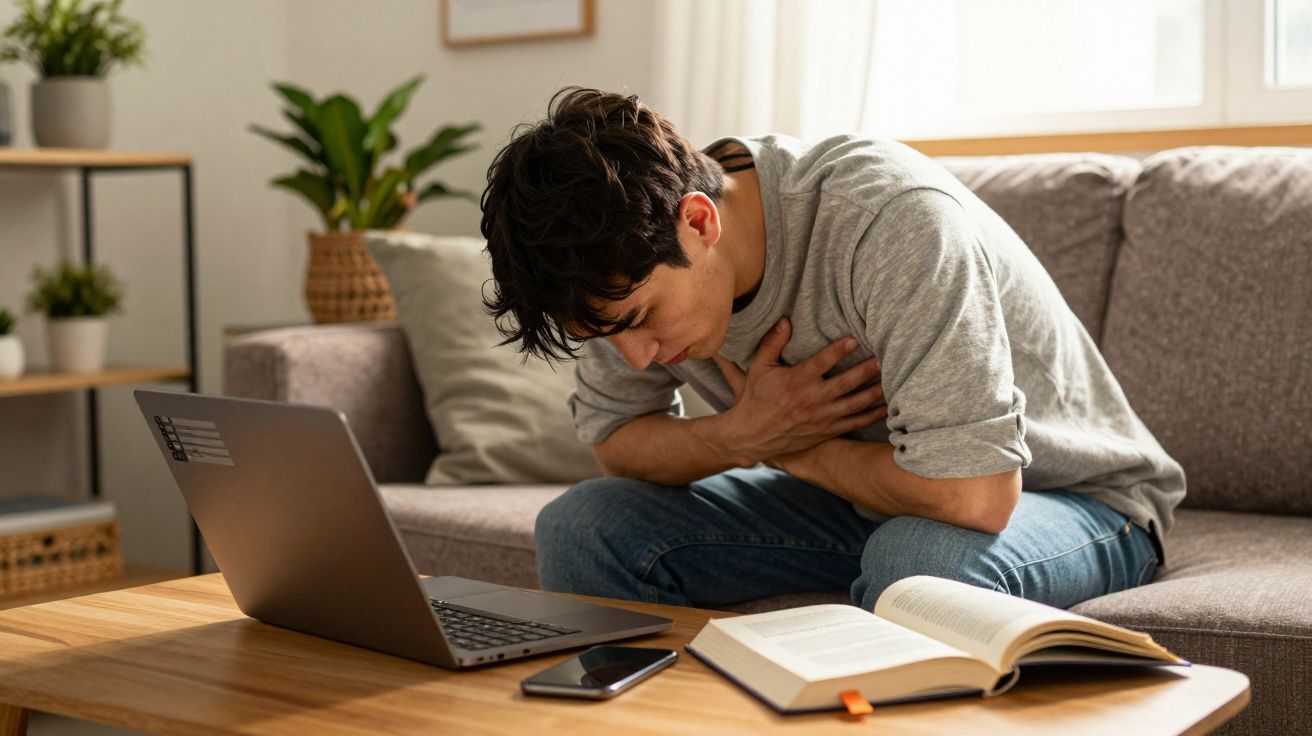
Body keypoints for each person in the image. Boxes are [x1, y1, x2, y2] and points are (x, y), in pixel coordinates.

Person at [479, 87, 1185, 611]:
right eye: (607, 337)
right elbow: (618, 442)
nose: (637, 356)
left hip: (1074, 498)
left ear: (698, 222)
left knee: (915, 561)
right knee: (583, 526)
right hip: (870, 502)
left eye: (642, 320)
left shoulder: (888, 222)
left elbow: (976, 497)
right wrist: (738, 434)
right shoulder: (611, 267)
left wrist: (786, 446)